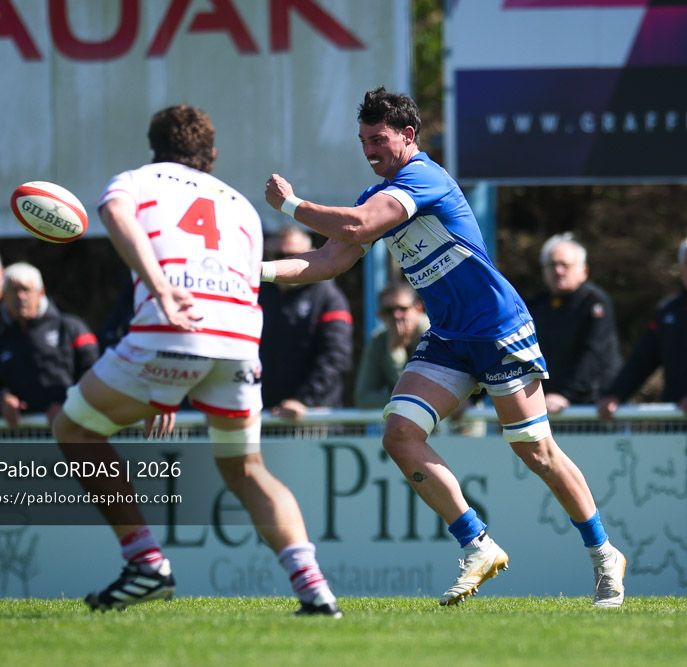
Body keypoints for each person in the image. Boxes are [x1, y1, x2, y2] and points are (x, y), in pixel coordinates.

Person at [262, 86, 626, 607]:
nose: (369, 150)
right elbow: (326, 262)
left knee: (536, 451)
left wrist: (291, 205)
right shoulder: (377, 194)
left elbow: (360, 226)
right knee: (399, 433)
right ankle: (477, 544)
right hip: (450, 337)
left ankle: (605, 555)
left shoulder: (423, 178)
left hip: (498, 331)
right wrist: (253, 271)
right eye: (363, 141)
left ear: (408, 135)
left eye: (378, 139)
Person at [52, 104, 342, 618]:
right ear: (212, 155)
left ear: (155, 148)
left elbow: (114, 213)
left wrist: (161, 289)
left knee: (74, 428)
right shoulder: (240, 205)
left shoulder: (137, 181)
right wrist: (166, 390)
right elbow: (247, 279)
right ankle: (315, 590)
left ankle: (145, 563)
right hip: (238, 340)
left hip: (171, 326)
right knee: (247, 468)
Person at [597, 234, 687, 421]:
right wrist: (616, 394)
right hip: (674, 413)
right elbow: (643, 358)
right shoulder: (669, 309)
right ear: (680, 268)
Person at [0, 262, 100, 428]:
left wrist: (68, 403)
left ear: (41, 293)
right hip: (20, 437)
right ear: (3, 296)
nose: (20, 296)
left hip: (74, 429)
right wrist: (1, 401)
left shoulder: (71, 329)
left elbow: (95, 374)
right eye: (13, 291)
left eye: (26, 289)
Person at [258, 225, 353, 418]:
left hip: (312, 416)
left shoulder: (328, 297)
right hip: (262, 414)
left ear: (311, 254)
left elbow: (336, 357)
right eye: (279, 255)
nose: (286, 262)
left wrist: (304, 400)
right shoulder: (256, 293)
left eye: (294, 255)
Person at [525, 233, 622, 413]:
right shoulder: (535, 304)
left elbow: (594, 354)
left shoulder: (594, 302)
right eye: (552, 265)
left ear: (584, 271)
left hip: (592, 407)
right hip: (547, 405)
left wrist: (566, 395)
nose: (558, 271)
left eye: (565, 265)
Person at [354, 281, 429, 409]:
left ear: (418, 308)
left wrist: (399, 399)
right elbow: (363, 398)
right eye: (389, 311)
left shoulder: (434, 334)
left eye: (403, 309)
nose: (396, 315)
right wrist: (395, 351)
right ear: (380, 315)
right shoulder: (378, 340)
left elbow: (421, 391)